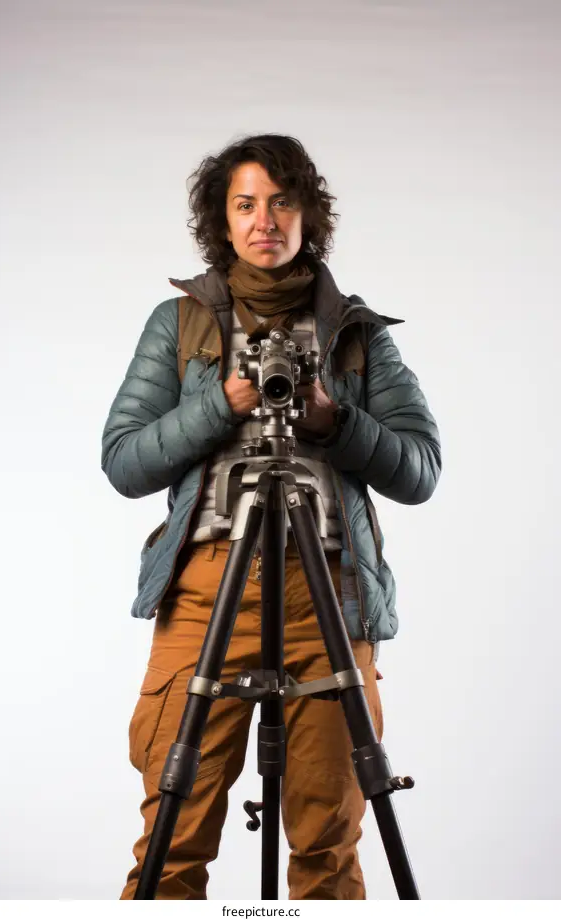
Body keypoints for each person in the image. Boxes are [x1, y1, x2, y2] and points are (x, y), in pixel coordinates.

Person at [101, 133, 442, 900]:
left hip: (323, 592)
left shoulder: (355, 331)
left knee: (328, 840)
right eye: (245, 204)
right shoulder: (178, 324)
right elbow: (124, 461)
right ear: (221, 222)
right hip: (206, 589)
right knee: (173, 830)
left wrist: (335, 422)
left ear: (307, 215)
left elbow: (421, 471)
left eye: (282, 202)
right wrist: (216, 406)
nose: (264, 221)